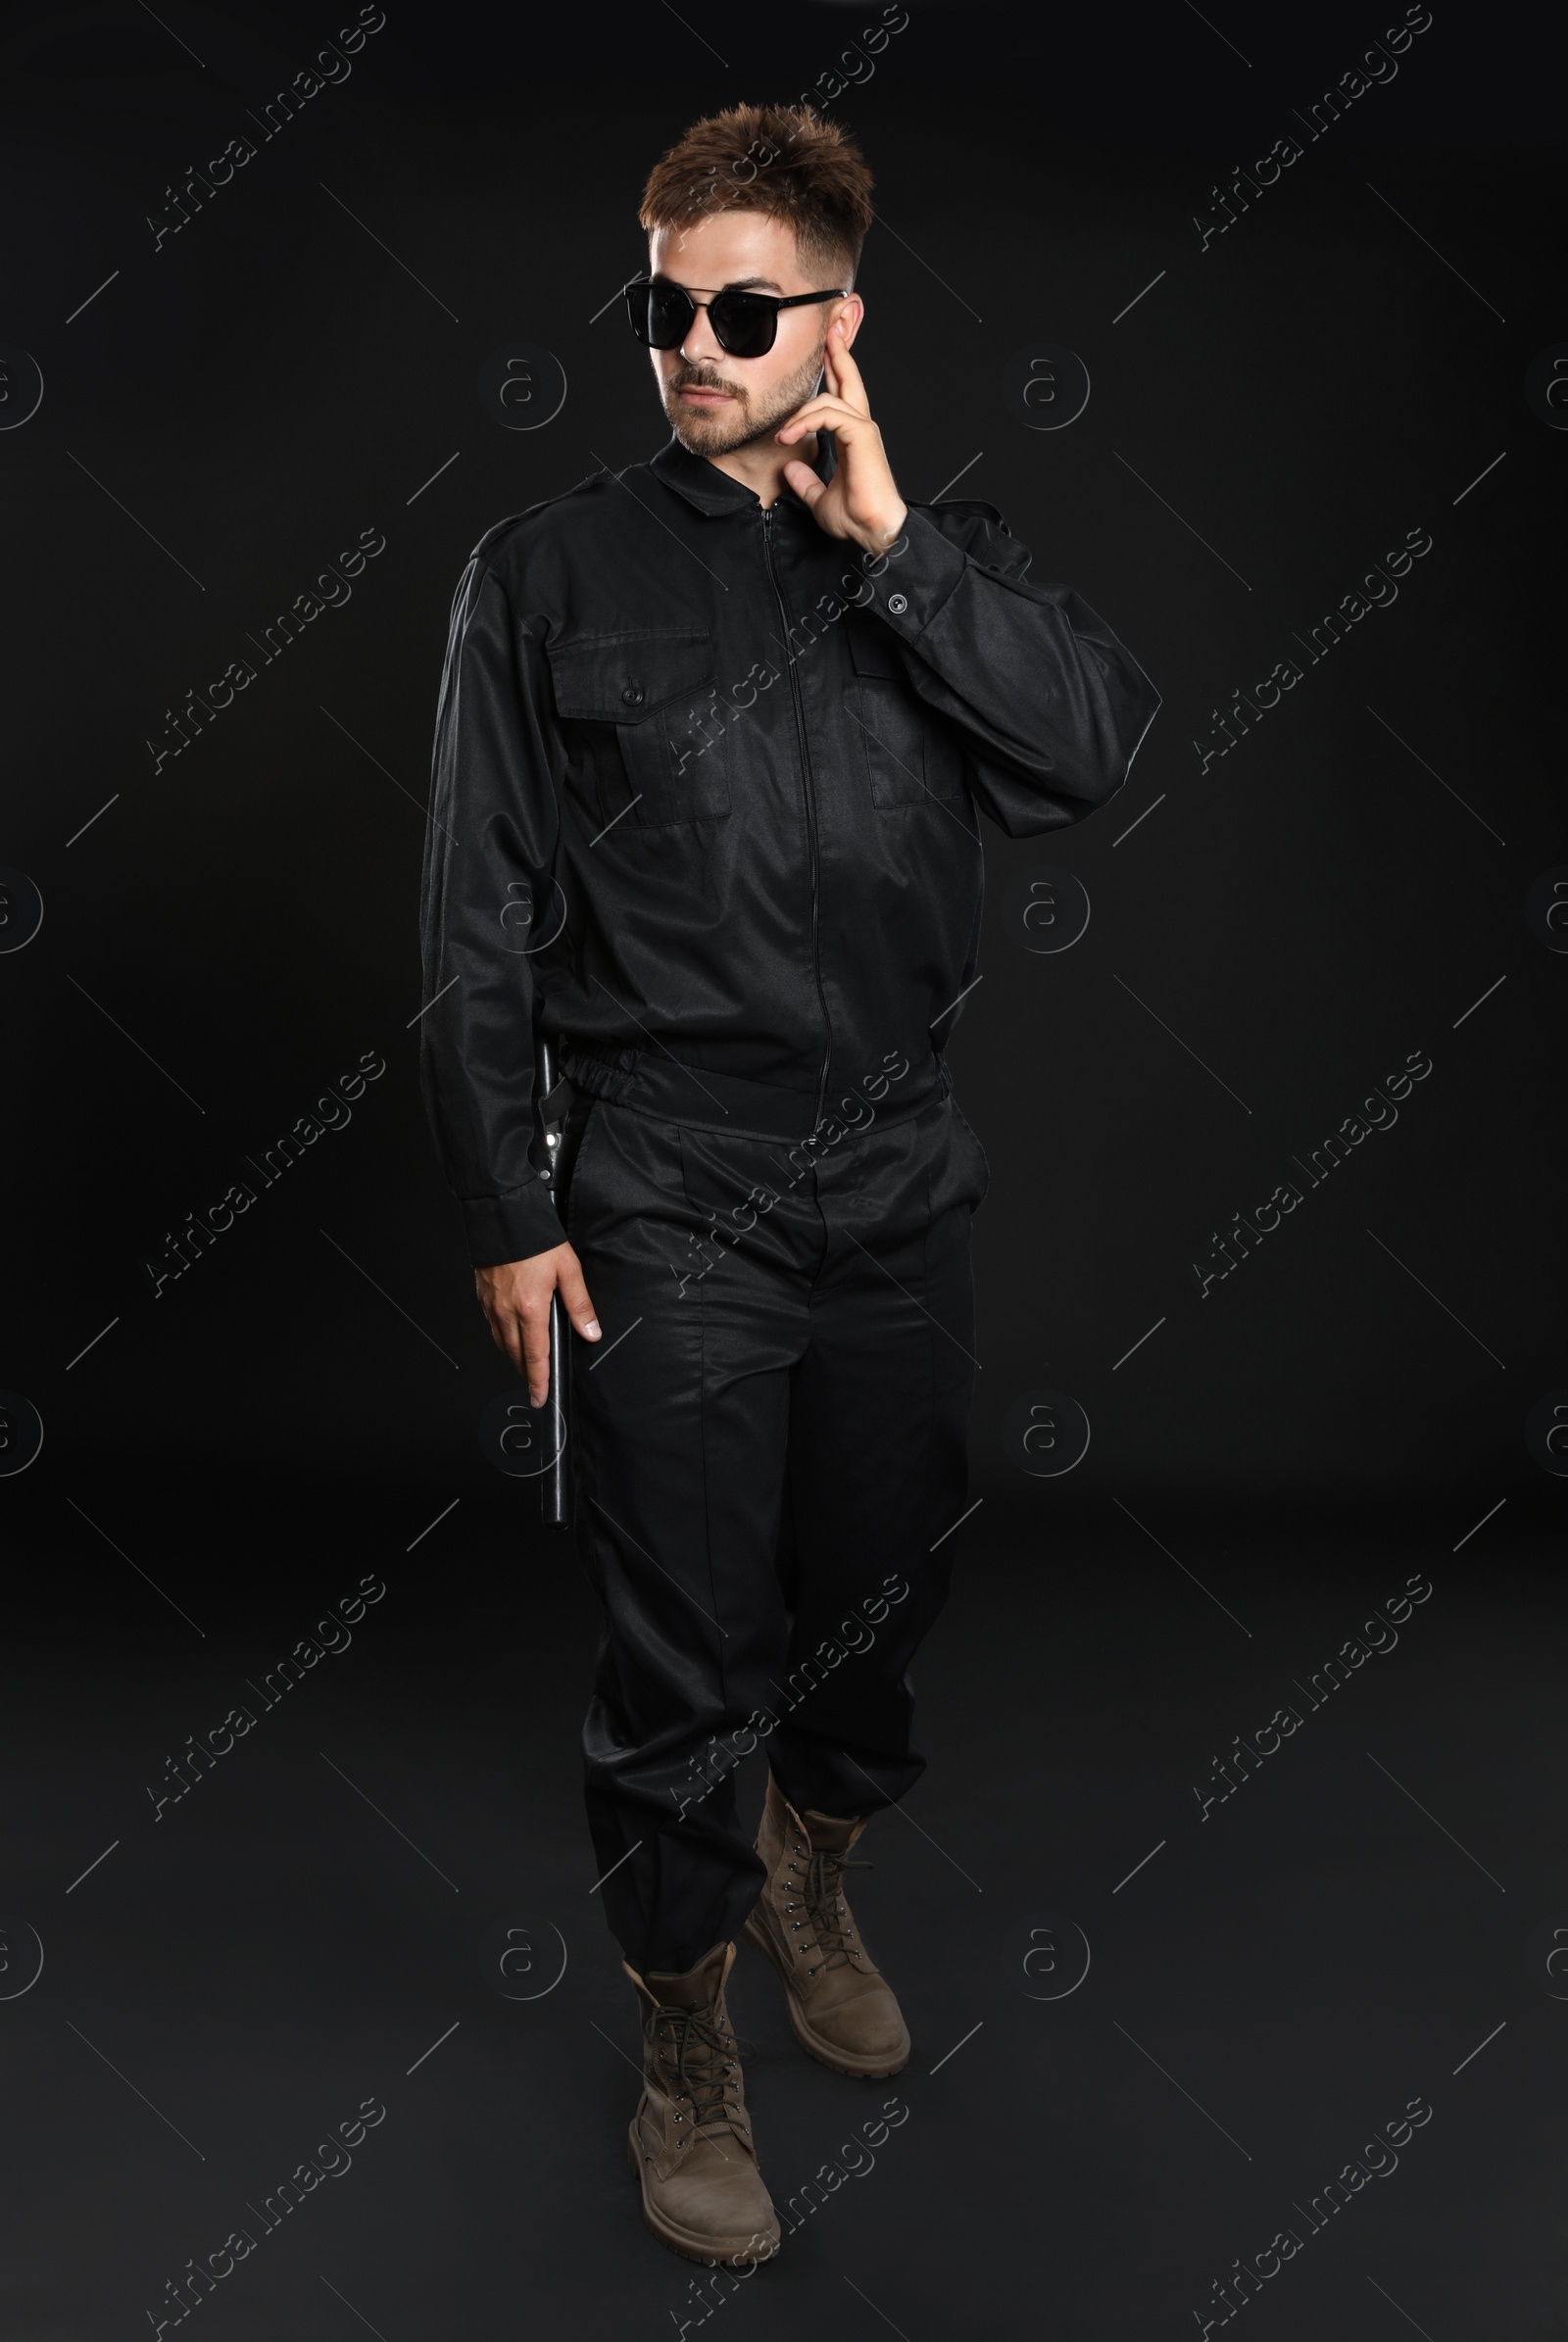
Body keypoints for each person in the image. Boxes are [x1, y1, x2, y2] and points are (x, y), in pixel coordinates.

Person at [418, 100, 1159, 2268]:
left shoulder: (939, 554)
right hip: (660, 1182)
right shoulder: (539, 577)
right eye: (664, 303)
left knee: (876, 1590)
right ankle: (682, 2029)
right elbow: (470, 926)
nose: (694, 343)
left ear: (841, 326)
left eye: (744, 309)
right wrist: (506, 1206)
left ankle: (814, 1858)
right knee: (679, 1639)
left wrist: (897, 544)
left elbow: (1087, 750)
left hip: (897, 1175)